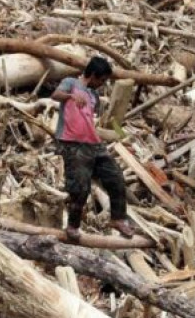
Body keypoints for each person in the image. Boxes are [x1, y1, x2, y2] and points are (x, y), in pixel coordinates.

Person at [50, 56, 134, 243]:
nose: (102, 84)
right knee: (80, 187)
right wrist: (71, 96)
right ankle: (73, 226)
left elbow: (104, 122)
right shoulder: (70, 83)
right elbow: (55, 95)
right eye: (102, 80)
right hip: (72, 143)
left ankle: (118, 218)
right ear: (93, 75)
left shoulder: (94, 96)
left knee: (116, 177)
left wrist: (121, 133)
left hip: (94, 144)